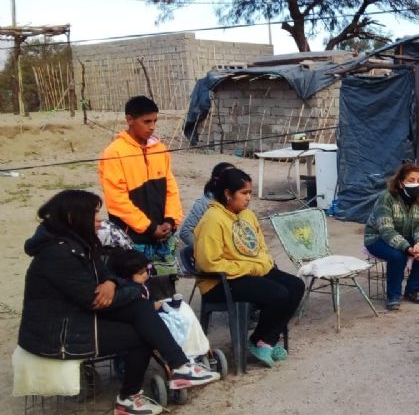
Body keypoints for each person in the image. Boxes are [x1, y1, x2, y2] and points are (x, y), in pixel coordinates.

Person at [18, 190, 218, 415]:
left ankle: (178, 367)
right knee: (140, 332)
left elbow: (105, 273)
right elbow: (94, 301)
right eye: (94, 214)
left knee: (140, 309)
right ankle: (131, 396)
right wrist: (134, 289)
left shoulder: (79, 241)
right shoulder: (58, 253)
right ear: (74, 217)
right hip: (59, 334)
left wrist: (112, 283)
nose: (99, 220)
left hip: (77, 316)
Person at [193, 168, 304, 367]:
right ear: (228, 194)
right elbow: (208, 262)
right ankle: (262, 340)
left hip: (250, 271)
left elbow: (260, 246)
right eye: (244, 193)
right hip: (220, 282)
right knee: (278, 294)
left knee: (296, 286)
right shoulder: (212, 219)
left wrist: (262, 264)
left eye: (250, 193)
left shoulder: (247, 215)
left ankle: (263, 340)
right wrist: (249, 267)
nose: (249, 198)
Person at [98, 95, 183, 264]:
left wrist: (170, 221)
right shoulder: (114, 153)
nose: (152, 127)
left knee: (164, 285)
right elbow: (117, 201)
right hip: (133, 240)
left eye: (154, 121)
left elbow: (171, 190)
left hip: (163, 236)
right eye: (146, 121)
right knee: (135, 287)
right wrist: (150, 228)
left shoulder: (160, 149)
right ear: (130, 119)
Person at [364, 163, 419, 311]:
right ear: (401, 183)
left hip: (408, 236)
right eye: (411, 180)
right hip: (378, 238)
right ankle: (393, 295)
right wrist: (408, 248)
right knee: (397, 255)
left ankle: (413, 290)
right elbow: (386, 230)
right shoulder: (386, 198)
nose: (416, 184)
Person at [178, 162, 236, 247]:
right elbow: (185, 232)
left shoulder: (236, 202)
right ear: (216, 180)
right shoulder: (204, 204)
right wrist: (204, 251)